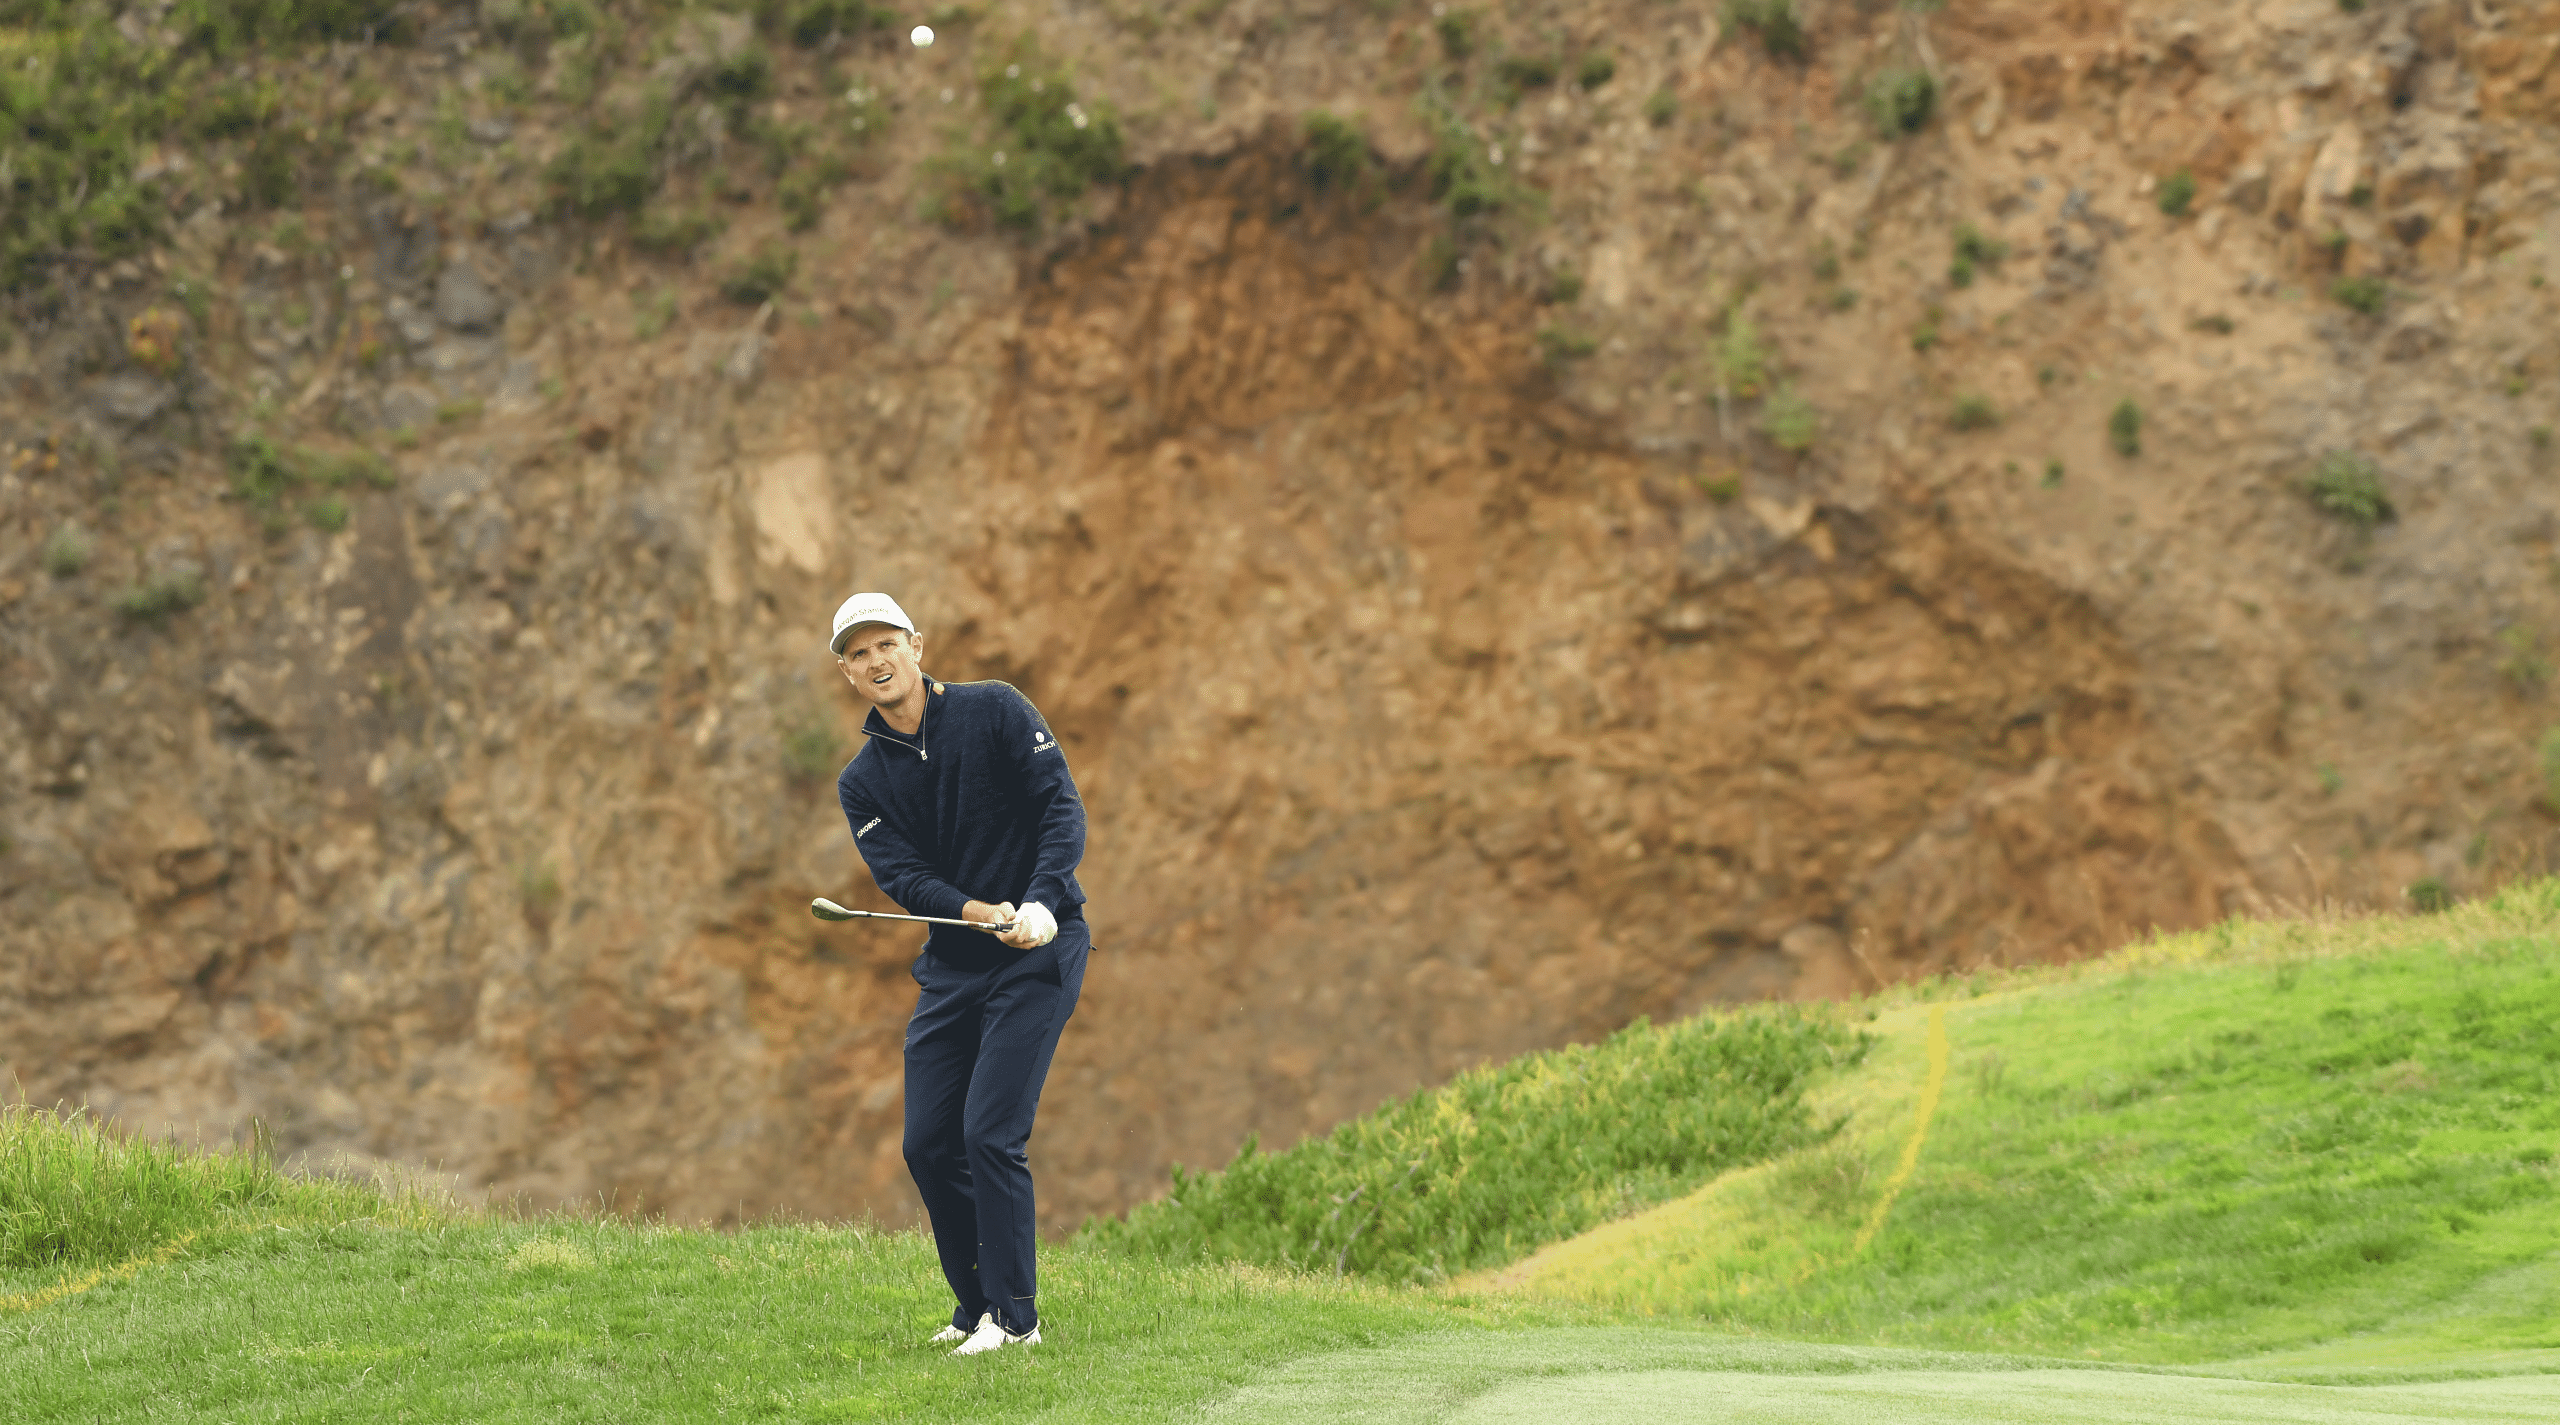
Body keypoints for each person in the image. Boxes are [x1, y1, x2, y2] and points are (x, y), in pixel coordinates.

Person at [827, 591, 1089, 1357]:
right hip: (955, 963)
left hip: (1042, 946)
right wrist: (976, 910)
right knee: (927, 1141)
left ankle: (1017, 1318)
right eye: (857, 653)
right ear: (846, 673)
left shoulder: (997, 709)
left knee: (989, 1132)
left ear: (916, 642)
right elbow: (903, 877)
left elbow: (1059, 809)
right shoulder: (862, 779)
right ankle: (975, 1305)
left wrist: (1041, 902)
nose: (875, 661)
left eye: (885, 643)